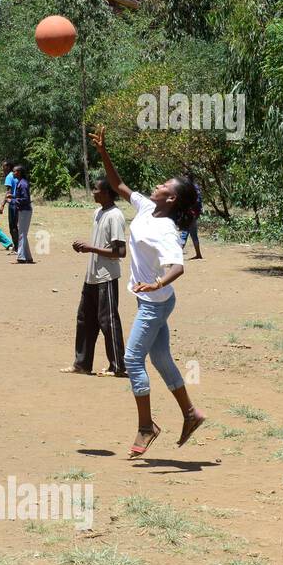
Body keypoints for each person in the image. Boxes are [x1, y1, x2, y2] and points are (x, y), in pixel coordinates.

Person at [91, 129, 205, 456]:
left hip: (155, 302)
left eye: (164, 186)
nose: (157, 186)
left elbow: (177, 267)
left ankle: (146, 426)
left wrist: (157, 283)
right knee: (160, 357)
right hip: (152, 300)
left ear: (170, 199)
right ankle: (190, 413)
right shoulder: (144, 208)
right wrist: (103, 151)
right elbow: (118, 185)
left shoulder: (167, 229)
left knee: (131, 358)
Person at [63, 178, 127, 378]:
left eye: (97, 190)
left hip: (106, 277)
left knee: (108, 321)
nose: (93, 193)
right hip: (92, 275)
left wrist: (90, 248)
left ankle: (118, 366)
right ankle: (82, 364)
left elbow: (120, 251)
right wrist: (86, 248)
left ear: (107, 192)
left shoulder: (115, 215)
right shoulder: (98, 213)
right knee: (85, 319)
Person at [12, 164, 35, 263]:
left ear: (19, 172)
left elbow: (25, 199)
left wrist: (12, 201)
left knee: (22, 234)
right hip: (23, 210)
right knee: (23, 234)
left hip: (25, 211)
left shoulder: (23, 184)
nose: (13, 173)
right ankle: (28, 257)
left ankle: (21, 257)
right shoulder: (21, 183)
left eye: (15, 171)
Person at [180, 172, 204, 260]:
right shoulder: (195, 187)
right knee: (193, 234)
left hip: (189, 214)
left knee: (184, 234)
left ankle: (175, 257)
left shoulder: (187, 189)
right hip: (194, 214)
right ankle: (198, 254)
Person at [0, 160, 18, 252]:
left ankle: (17, 248)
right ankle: (17, 246)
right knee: (16, 226)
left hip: (13, 203)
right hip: (19, 203)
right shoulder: (15, 176)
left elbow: (8, 192)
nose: (2, 168)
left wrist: (2, 204)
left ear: (8, 167)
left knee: (12, 227)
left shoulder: (9, 177)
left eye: (4, 166)